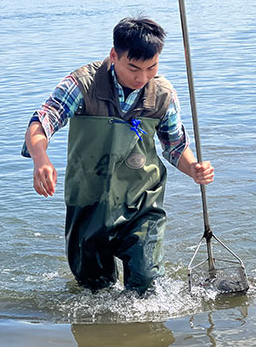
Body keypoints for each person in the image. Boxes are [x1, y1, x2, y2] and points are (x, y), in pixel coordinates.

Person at [22, 17, 214, 294]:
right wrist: (41, 159)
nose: (141, 78)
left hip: (142, 202)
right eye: (133, 68)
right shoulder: (81, 84)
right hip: (88, 201)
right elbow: (42, 121)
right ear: (114, 55)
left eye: (152, 68)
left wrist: (194, 167)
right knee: (94, 290)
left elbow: (175, 147)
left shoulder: (163, 94)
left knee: (146, 285)